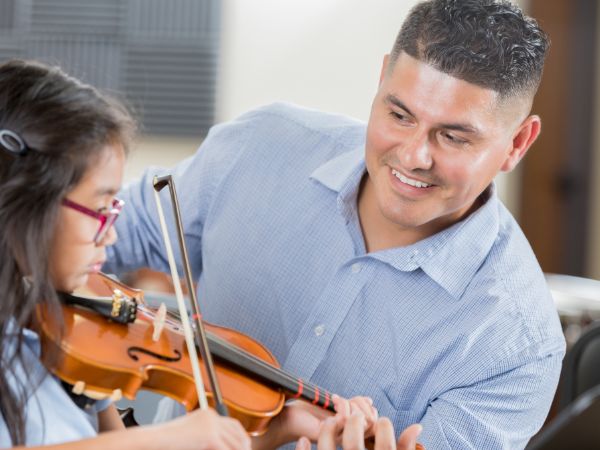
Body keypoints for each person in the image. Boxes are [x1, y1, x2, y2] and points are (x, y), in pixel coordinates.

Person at [105, 0, 566, 448]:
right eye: (399, 115)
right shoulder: (258, 146)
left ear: (517, 144)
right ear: (382, 77)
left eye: (453, 137)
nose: (412, 156)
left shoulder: (517, 348)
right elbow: (86, 235)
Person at [0, 59, 385, 450]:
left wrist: (275, 431)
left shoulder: (66, 331)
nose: (111, 234)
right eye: (100, 211)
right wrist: (163, 438)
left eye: (114, 211)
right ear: (22, 201)